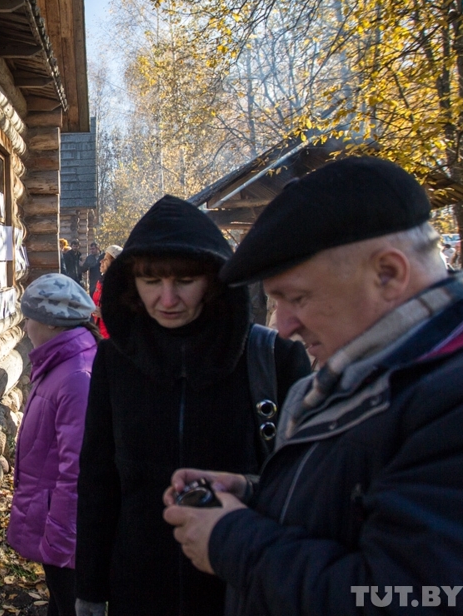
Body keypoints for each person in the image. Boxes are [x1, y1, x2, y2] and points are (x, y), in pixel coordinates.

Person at [163, 157, 463, 615]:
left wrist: (234, 539)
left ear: (387, 273)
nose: (284, 327)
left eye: (299, 298)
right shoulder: (380, 374)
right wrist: (256, 495)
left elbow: (422, 598)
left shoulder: (456, 401)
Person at [75, 196, 310, 616]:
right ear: (130, 284)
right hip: (138, 587)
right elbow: (97, 479)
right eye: (151, 282)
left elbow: (306, 486)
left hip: (242, 582)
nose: (167, 298)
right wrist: (90, 588)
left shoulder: (273, 360)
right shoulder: (115, 362)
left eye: (184, 280)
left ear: (214, 278)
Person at [8, 274, 98, 616]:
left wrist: (62, 539)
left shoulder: (76, 375)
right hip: (53, 516)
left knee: (69, 602)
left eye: (28, 318)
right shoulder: (60, 362)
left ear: (50, 322)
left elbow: (77, 469)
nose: (26, 326)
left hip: (65, 530)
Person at [90, 245, 122, 339]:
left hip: (114, 338)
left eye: (106, 259)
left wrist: (105, 314)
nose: (101, 261)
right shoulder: (102, 281)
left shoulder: (121, 284)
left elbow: (126, 315)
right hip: (101, 334)